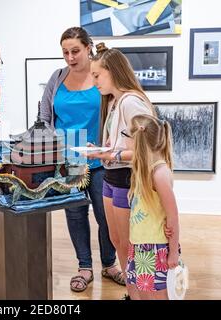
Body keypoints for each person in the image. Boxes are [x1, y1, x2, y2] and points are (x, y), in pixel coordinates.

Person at [40, 27, 123, 293]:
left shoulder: (102, 77)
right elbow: (44, 117)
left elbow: (117, 111)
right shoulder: (57, 78)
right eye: (65, 52)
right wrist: (53, 146)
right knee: (75, 214)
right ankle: (84, 267)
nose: (70, 57)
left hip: (100, 160)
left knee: (106, 216)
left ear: (88, 48)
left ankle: (109, 265)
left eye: (75, 51)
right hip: (68, 161)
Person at [87, 42, 155, 293]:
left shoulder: (131, 102)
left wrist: (111, 153)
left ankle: (137, 293)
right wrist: (106, 150)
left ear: (113, 71)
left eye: (97, 75)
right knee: (118, 241)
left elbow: (147, 150)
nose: (94, 81)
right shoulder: (116, 102)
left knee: (128, 245)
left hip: (127, 179)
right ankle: (132, 290)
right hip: (112, 177)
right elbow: (123, 143)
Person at [125, 114, 181, 300]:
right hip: (140, 245)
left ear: (137, 141)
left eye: (126, 136)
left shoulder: (159, 173)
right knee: (142, 294)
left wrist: (173, 252)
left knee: (157, 296)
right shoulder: (145, 170)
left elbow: (173, 216)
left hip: (155, 248)